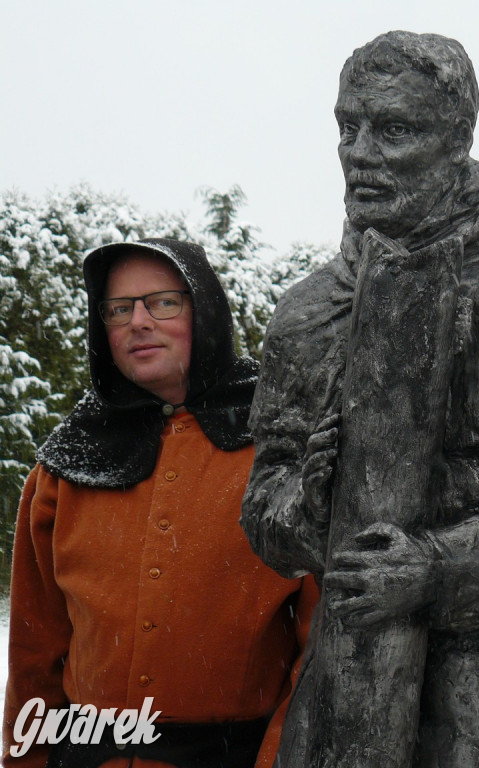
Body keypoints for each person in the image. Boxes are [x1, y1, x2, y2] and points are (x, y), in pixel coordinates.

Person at [241, 31, 479, 767]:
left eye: (394, 130)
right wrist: (308, 505)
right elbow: (265, 508)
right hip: (342, 698)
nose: (360, 153)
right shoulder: (308, 315)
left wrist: (437, 569)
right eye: (347, 127)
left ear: (455, 142)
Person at [3, 239, 319, 768]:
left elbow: (319, 654)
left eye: (163, 302)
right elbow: (34, 654)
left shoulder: (283, 450)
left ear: (206, 311)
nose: (138, 322)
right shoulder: (64, 466)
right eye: (119, 309)